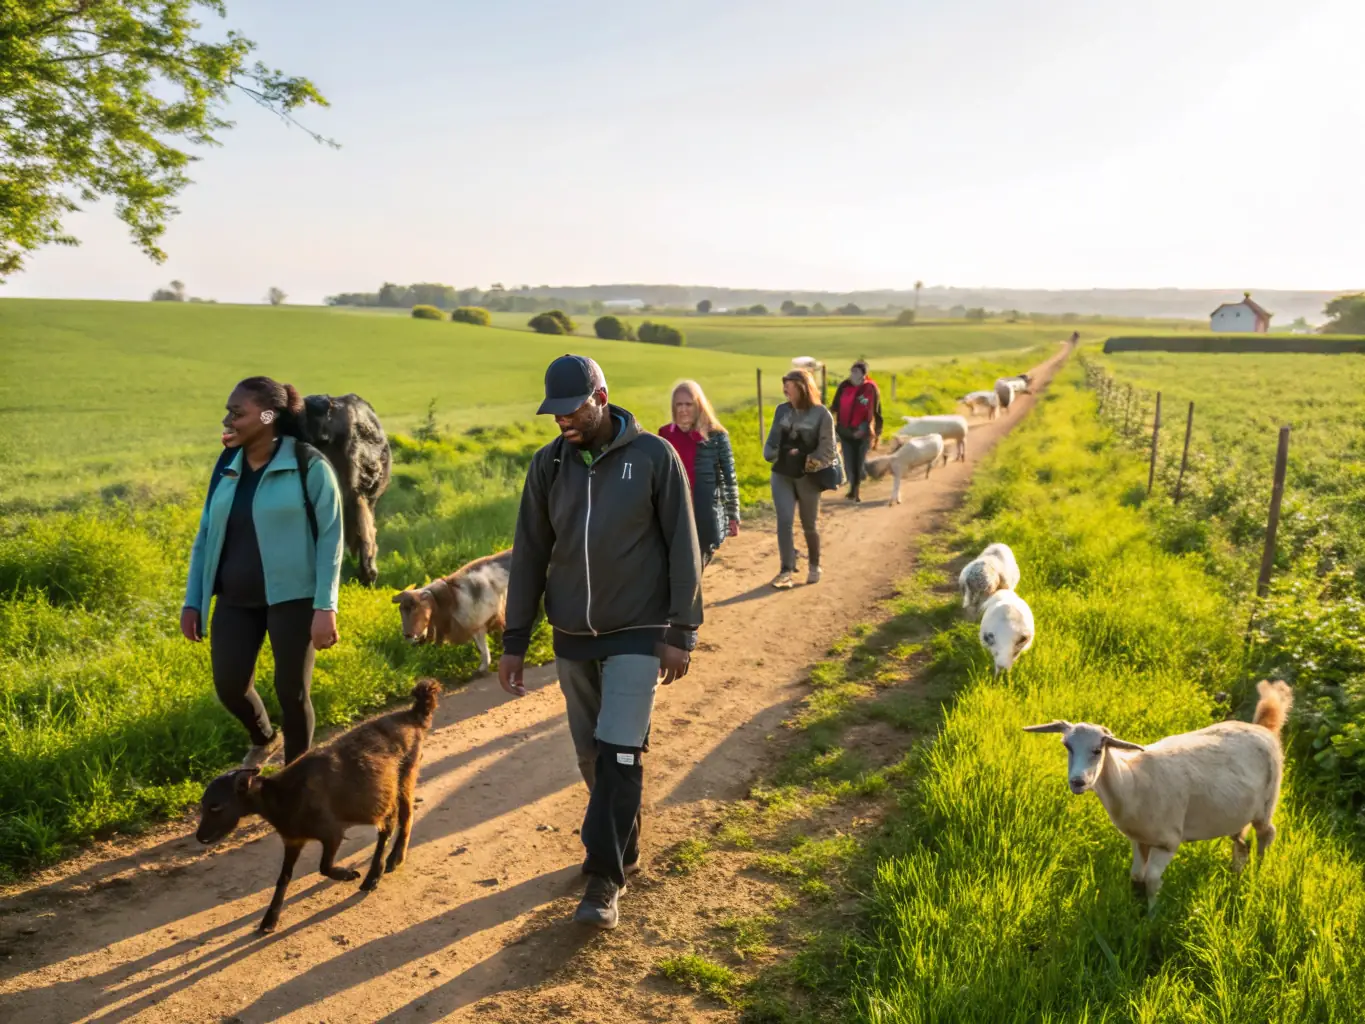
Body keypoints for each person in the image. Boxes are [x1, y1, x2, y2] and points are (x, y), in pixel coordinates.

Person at [499, 354, 703, 930]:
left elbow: (682, 548)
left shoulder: (654, 458)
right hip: (572, 636)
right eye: (555, 412)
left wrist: (681, 630)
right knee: (593, 756)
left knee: (618, 750)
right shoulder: (548, 467)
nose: (563, 420)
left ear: (602, 397)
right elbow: (531, 555)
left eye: (573, 409)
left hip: (639, 630)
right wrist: (515, 639)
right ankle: (623, 840)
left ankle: (602, 879)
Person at [181, 376, 344, 768]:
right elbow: (206, 534)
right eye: (228, 411)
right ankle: (264, 737)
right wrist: (193, 600)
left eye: (238, 413)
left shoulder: (308, 465)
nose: (228, 419)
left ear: (268, 416)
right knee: (230, 686)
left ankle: (297, 777)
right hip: (236, 599)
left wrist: (326, 607)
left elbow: (331, 540)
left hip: (295, 598)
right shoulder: (226, 466)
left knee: (292, 692)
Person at [764, 368, 836, 589]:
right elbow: (772, 441)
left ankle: (814, 565)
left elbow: (828, 450)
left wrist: (805, 458)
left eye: (790, 385)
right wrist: (771, 452)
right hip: (782, 475)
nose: (785, 389)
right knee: (784, 521)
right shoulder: (781, 411)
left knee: (809, 524)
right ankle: (786, 570)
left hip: (808, 477)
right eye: (784, 385)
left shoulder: (821, 414)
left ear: (803, 387)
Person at [659, 380, 740, 568]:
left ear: (699, 406)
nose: (683, 409)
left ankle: (692, 595)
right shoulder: (665, 435)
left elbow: (729, 477)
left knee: (696, 565)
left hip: (704, 514)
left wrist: (733, 514)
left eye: (688, 404)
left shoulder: (716, 436)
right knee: (680, 567)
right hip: (675, 514)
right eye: (679, 404)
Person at [831, 359, 883, 503]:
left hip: (864, 432)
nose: (852, 374)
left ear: (864, 374)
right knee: (849, 462)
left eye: (856, 372)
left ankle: (856, 487)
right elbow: (835, 406)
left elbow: (877, 412)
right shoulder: (844, 386)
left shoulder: (871, 389)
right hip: (845, 431)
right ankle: (853, 490)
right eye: (851, 371)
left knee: (859, 463)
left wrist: (876, 431)